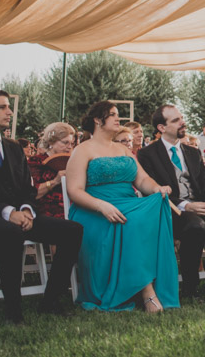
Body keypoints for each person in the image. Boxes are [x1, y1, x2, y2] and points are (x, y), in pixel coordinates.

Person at [0, 89, 83, 323]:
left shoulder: (12, 148)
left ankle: (50, 300)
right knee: (10, 232)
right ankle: (13, 310)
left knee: (72, 230)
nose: (9, 112)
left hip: (19, 215)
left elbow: (27, 188)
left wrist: (26, 210)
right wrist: (8, 212)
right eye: (2, 107)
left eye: (8, 107)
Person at [66, 101, 178, 312]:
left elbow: (143, 180)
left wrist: (157, 189)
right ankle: (147, 292)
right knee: (131, 221)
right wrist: (102, 207)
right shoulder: (82, 150)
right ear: (98, 120)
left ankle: (146, 285)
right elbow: (74, 191)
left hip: (128, 203)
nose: (119, 119)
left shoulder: (123, 150)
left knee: (154, 210)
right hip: (93, 210)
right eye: (113, 115)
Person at [138, 105, 205, 300]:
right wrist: (186, 206)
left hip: (202, 208)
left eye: (181, 117)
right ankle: (190, 288)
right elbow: (152, 192)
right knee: (196, 225)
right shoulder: (148, 154)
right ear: (161, 128)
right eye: (175, 120)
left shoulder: (193, 152)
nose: (183, 122)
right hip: (170, 211)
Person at [28, 122, 75, 219]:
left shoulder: (72, 162)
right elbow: (32, 194)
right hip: (46, 214)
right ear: (51, 142)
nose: (69, 147)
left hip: (72, 210)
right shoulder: (36, 162)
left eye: (71, 143)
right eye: (65, 142)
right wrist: (55, 181)